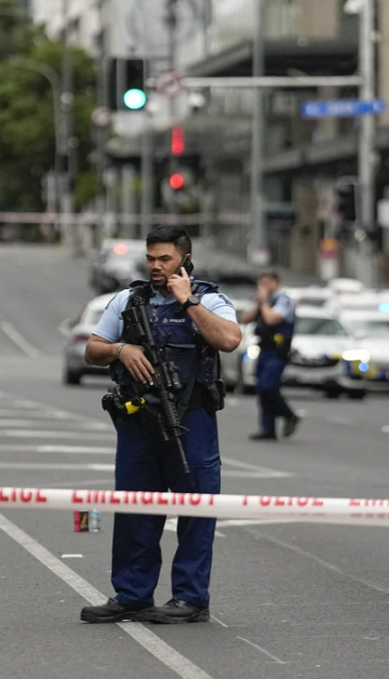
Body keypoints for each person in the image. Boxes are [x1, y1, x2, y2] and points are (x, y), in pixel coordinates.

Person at [80, 225, 242, 625]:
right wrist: (122, 349)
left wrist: (188, 303)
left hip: (192, 421)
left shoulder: (210, 299)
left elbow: (229, 340)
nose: (155, 265)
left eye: (164, 259)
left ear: (185, 260)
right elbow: (92, 349)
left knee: (196, 512)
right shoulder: (128, 299)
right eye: (151, 258)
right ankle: (132, 595)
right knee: (134, 510)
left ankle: (190, 599)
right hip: (138, 422)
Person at [240, 271, 299, 440]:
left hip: (277, 351)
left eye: (266, 283)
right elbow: (244, 318)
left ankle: (289, 415)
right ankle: (268, 429)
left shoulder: (283, 301)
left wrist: (264, 302)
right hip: (264, 349)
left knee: (268, 387)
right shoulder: (263, 302)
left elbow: (272, 319)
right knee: (261, 389)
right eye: (261, 284)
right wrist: (259, 304)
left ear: (275, 282)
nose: (262, 287)